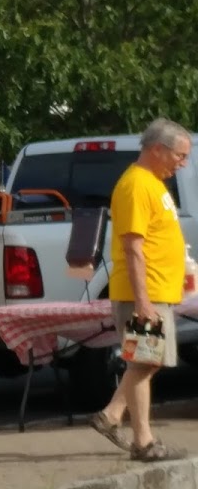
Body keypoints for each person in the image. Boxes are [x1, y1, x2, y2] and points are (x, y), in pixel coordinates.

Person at [90, 118, 191, 462]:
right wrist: (144, 300)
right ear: (157, 150)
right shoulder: (135, 185)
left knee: (146, 361)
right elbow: (133, 247)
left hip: (155, 291)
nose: (183, 162)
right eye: (180, 155)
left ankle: (122, 423)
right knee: (146, 360)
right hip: (141, 294)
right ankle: (133, 433)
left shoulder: (153, 183)